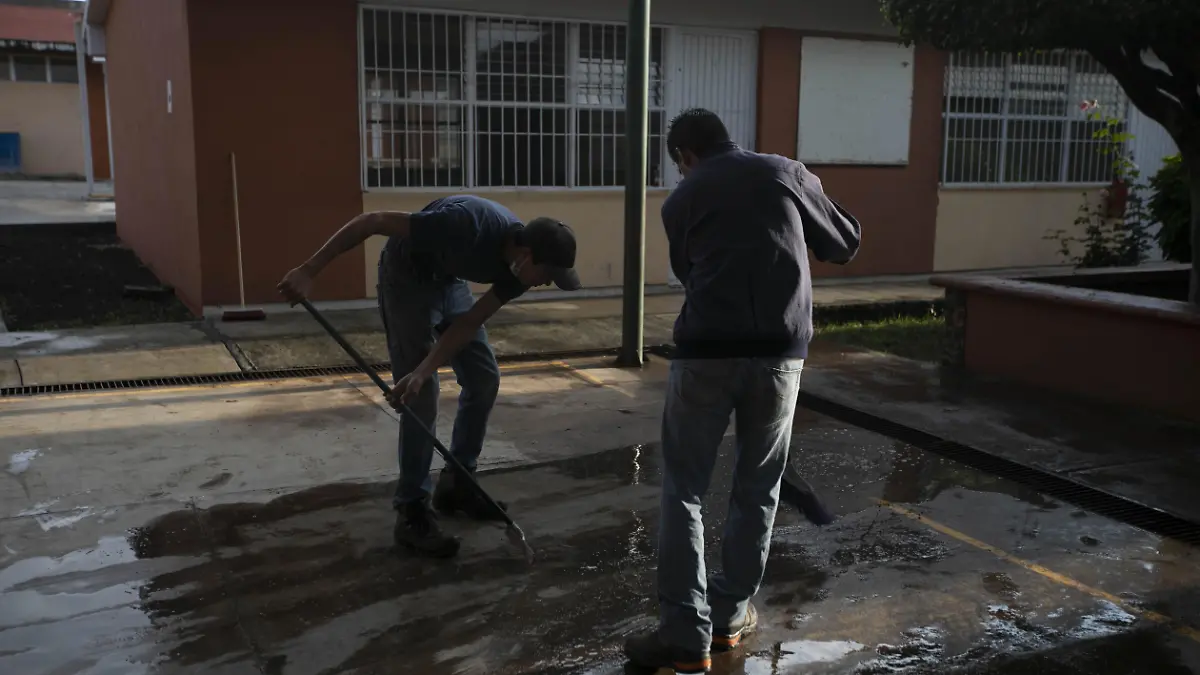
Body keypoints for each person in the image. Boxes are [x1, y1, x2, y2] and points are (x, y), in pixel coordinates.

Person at [623, 109, 861, 673]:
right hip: (779, 356)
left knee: (684, 488)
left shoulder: (680, 202)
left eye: (678, 164)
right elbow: (844, 242)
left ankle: (685, 635)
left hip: (706, 354)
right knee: (758, 488)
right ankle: (729, 617)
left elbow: (691, 272)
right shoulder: (784, 173)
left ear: (684, 155)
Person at [277, 196, 581, 558]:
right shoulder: (461, 225)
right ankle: (412, 508)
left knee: (483, 376)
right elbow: (371, 220)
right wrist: (309, 270)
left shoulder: (516, 273)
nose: (545, 284)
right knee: (419, 396)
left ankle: (457, 482)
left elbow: (468, 322)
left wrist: (426, 367)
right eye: (547, 276)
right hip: (407, 275)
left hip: (449, 282)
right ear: (527, 256)